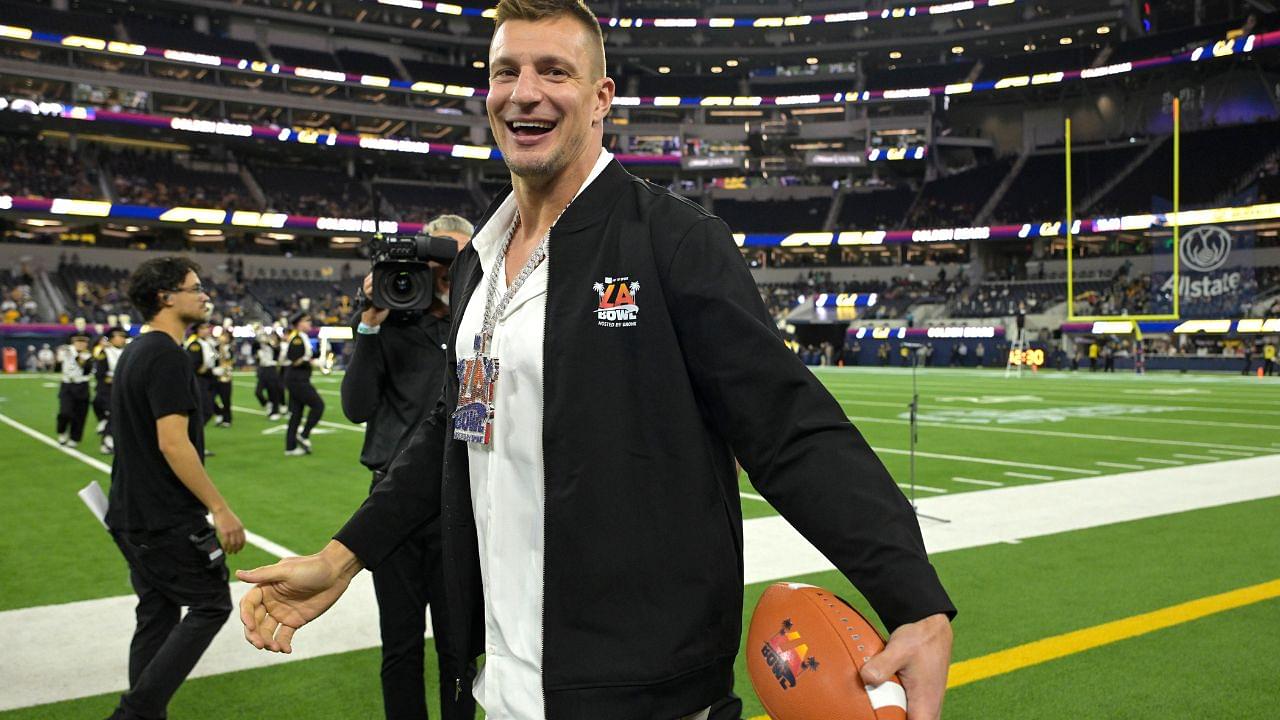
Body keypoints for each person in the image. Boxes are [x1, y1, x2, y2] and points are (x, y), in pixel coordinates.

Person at [238, 4, 954, 720]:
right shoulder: (479, 265)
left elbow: (788, 426)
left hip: (649, 697)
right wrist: (341, 558)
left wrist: (914, 602)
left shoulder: (674, 240)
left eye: (555, 71)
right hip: (505, 687)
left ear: (601, 99)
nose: (525, 92)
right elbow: (454, 431)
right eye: (506, 72)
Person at [340, 215, 477, 720]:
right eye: (439, 262)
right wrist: (370, 326)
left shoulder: (480, 322)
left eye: (459, 259)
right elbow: (356, 407)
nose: (448, 271)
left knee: (459, 649)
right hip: (392, 506)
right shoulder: (393, 323)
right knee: (399, 645)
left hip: (456, 506)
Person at [104, 256, 246, 720]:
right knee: (210, 603)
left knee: (157, 614)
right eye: (195, 287)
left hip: (130, 513)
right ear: (166, 297)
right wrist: (220, 508)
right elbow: (173, 443)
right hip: (162, 517)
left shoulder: (136, 350)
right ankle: (135, 713)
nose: (205, 295)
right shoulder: (166, 353)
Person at [282, 312, 324, 455]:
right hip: (297, 378)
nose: (310, 323)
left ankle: (290, 447)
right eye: (307, 321)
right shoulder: (298, 338)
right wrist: (311, 361)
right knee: (318, 405)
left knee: (296, 413)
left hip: (297, 378)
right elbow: (294, 359)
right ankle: (304, 434)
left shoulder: (303, 337)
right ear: (299, 323)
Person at [94, 327, 129, 454]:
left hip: (123, 389)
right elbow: (100, 375)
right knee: (113, 414)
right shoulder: (105, 353)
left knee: (120, 416)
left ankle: (109, 437)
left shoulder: (128, 351)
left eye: (123, 337)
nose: (121, 339)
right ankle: (107, 440)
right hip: (109, 389)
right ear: (112, 339)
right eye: (118, 337)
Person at [56, 330, 93, 447]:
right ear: (73, 341)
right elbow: (57, 366)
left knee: (80, 414)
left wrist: (79, 356)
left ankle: (75, 437)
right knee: (65, 412)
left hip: (82, 385)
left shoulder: (88, 354)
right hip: (67, 385)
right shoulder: (65, 350)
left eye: (84, 342)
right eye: (78, 341)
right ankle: (62, 431)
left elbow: (87, 369)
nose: (81, 344)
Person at [185, 321, 217, 426]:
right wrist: (212, 371)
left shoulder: (209, 343)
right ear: (197, 330)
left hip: (210, 379)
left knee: (209, 408)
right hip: (200, 380)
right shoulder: (195, 345)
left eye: (207, 328)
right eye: (202, 328)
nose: (206, 330)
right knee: (205, 410)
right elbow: (196, 366)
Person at [252, 328, 285, 419]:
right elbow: (254, 347)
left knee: (273, 391)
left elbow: (275, 350)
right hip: (262, 369)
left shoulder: (277, 346)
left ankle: (275, 412)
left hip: (271, 369)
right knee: (258, 392)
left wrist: (268, 342)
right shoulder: (260, 345)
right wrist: (258, 335)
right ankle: (267, 404)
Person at [212, 329, 235, 427]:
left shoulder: (230, 348)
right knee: (209, 398)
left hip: (226, 376)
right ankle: (219, 412)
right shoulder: (214, 348)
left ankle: (227, 419)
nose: (223, 338)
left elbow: (229, 359)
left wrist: (222, 348)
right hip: (215, 376)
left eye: (226, 336)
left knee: (226, 399)